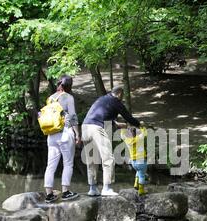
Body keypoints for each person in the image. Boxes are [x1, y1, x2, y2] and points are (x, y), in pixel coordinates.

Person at [82, 86, 141, 196]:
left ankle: (93, 188)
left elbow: (103, 116)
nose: (122, 98)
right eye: (122, 96)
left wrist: (118, 125)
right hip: (97, 129)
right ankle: (106, 188)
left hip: (85, 127)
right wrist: (139, 125)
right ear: (119, 94)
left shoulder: (102, 99)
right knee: (108, 158)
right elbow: (127, 116)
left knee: (92, 159)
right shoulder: (116, 101)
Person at [43, 75, 81, 203]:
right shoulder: (68, 97)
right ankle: (65, 192)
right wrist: (78, 134)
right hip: (65, 134)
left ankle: (49, 194)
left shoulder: (50, 98)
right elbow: (73, 117)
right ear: (69, 86)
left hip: (51, 135)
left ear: (59, 84)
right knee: (68, 163)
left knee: (50, 165)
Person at [121, 126, 148, 196]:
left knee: (138, 171)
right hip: (141, 160)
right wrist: (141, 126)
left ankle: (136, 183)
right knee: (142, 175)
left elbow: (122, 135)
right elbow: (145, 133)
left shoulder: (127, 140)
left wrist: (123, 128)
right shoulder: (139, 139)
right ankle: (141, 190)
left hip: (133, 162)